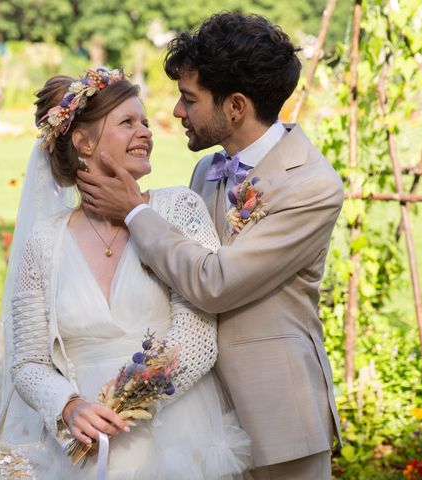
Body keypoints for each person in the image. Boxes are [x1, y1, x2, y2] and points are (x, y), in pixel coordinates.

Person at [76, 13, 344, 480]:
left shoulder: (313, 186)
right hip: (203, 418)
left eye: (188, 99)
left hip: (277, 417)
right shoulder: (208, 171)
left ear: (235, 106)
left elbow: (215, 281)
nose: (178, 112)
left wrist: (136, 213)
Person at [0, 67, 250, 480]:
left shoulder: (179, 208)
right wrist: (70, 408)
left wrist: (122, 407)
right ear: (83, 141)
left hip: (178, 437)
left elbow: (197, 335)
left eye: (145, 122)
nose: (146, 132)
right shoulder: (44, 241)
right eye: (128, 122)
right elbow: (29, 361)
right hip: (82, 446)